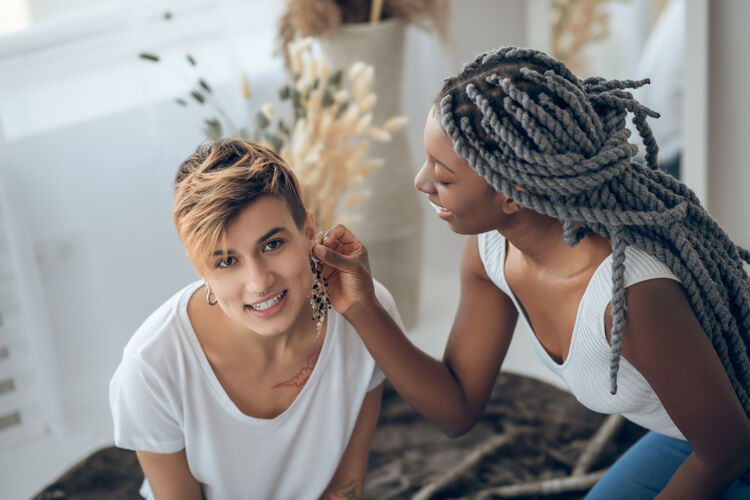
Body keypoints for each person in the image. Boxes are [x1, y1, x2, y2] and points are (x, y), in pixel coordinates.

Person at [313, 46, 750, 498]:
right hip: (695, 439)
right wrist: (361, 306)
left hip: (729, 447)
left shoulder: (632, 297)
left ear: (512, 195)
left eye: (443, 176)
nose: (421, 182)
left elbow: (728, 451)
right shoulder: (490, 252)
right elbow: (458, 407)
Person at [109, 139, 402, 499]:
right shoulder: (153, 367)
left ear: (308, 232)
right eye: (227, 261)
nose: (259, 282)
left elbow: (346, 487)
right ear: (202, 271)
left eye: (273, 245)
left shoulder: (365, 315)